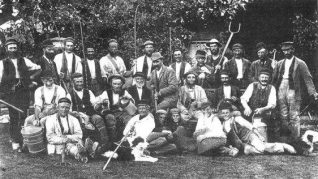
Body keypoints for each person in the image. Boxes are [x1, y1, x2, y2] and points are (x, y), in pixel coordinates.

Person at [0, 37, 41, 151]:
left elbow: (38, 68)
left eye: (14, 47)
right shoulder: (2, 63)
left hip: (23, 91)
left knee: (24, 114)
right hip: (10, 93)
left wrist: (31, 79)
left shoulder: (24, 60)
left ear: (17, 48)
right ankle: (15, 140)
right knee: (13, 116)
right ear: (6, 49)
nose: (13, 50)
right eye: (10, 48)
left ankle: (24, 138)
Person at [272, 41, 318, 142]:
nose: (286, 52)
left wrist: (313, 93)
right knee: (283, 113)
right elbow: (274, 79)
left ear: (293, 50)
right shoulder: (279, 63)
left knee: (294, 114)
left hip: (293, 89)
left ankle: (295, 138)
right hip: (281, 87)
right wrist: (271, 91)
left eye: (288, 50)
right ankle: (285, 138)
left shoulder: (300, 63)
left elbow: (307, 78)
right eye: (284, 50)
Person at [218, 101, 296, 155]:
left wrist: (259, 135)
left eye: (227, 112)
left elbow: (251, 126)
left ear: (231, 112)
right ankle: (276, 149)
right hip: (242, 143)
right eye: (223, 113)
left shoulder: (237, 118)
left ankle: (283, 146)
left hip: (250, 136)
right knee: (247, 151)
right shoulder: (223, 124)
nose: (225, 115)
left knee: (261, 148)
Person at [67, 73, 111, 155]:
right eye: (77, 82)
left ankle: (105, 144)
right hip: (78, 116)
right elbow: (69, 110)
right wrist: (77, 115)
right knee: (81, 124)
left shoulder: (88, 91)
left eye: (81, 81)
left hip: (90, 114)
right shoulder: (69, 94)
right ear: (73, 83)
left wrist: (99, 104)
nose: (80, 83)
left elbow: (94, 104)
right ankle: (87, 148)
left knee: (98, 118)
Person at [45, 98, 88, 163]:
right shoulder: (50, 119)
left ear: (69, 108)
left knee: (72, 147)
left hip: (71, 142)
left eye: (67, 108)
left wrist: (68, 138)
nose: (64, 110)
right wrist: (64, 139)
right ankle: (83, 154)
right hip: (58, 144)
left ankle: (83, 153)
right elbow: (50, 137)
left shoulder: (74, 119)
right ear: (57, 107)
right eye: (62, 107)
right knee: (72, 149)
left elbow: (79, 135)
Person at [97, 74, 135, 144]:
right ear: (111, 84)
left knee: (130, 120)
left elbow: (132, 101)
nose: (117, 86)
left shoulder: (124, 92)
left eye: (119, 84)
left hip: (121, 112)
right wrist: (102, 102)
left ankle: (127, 141)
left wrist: (128, 99)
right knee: (110, 119)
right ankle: (112, 141)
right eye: (115, 84)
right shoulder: (106, 92)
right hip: (110, 112)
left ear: (121, 84)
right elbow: (97, 102)